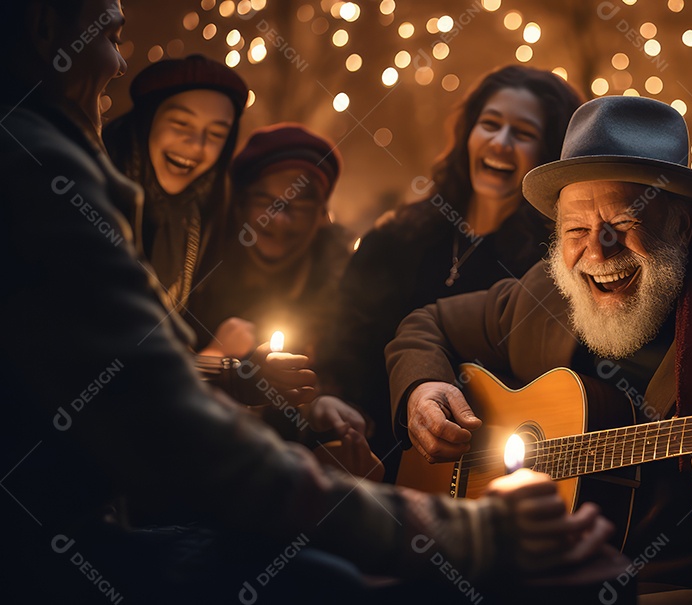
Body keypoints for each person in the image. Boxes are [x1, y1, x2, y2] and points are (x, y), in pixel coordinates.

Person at [1, 1, 621, 602]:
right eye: (110, 33)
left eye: (524, 132)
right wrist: (443, 495)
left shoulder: (558, 267)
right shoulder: (43, 172)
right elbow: (180, 426)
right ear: (43, 26)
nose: (116, 61)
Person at [385, 95, 692, 593]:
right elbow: (427, 324)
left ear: (680, 226)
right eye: (577, 229)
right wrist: (423, 387)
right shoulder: (541, 292)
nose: (597, 250)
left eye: (622, 225)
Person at [320, 65, 583, 479]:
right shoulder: (395, 238)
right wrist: (331, 403)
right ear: (467, 135)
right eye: (490, 124)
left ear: (549, 154)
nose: (501, 142)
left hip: (468, 479)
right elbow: (340, 343)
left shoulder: (550, 267)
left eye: (523, 133)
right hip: (362, 460)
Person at [104, 53, 253, 357]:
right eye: (181, 122)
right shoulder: (96, 194)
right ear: (147, 120)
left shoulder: (206, 216)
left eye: (215, 134)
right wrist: (214, 361)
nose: (196, 145)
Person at [187, 123, 351, 361]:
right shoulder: (193, 274)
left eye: (301, 206)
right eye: (265, 201)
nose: (280, 220)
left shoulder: (346, 296)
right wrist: (214, 359)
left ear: (322, 216)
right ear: (239, 206)